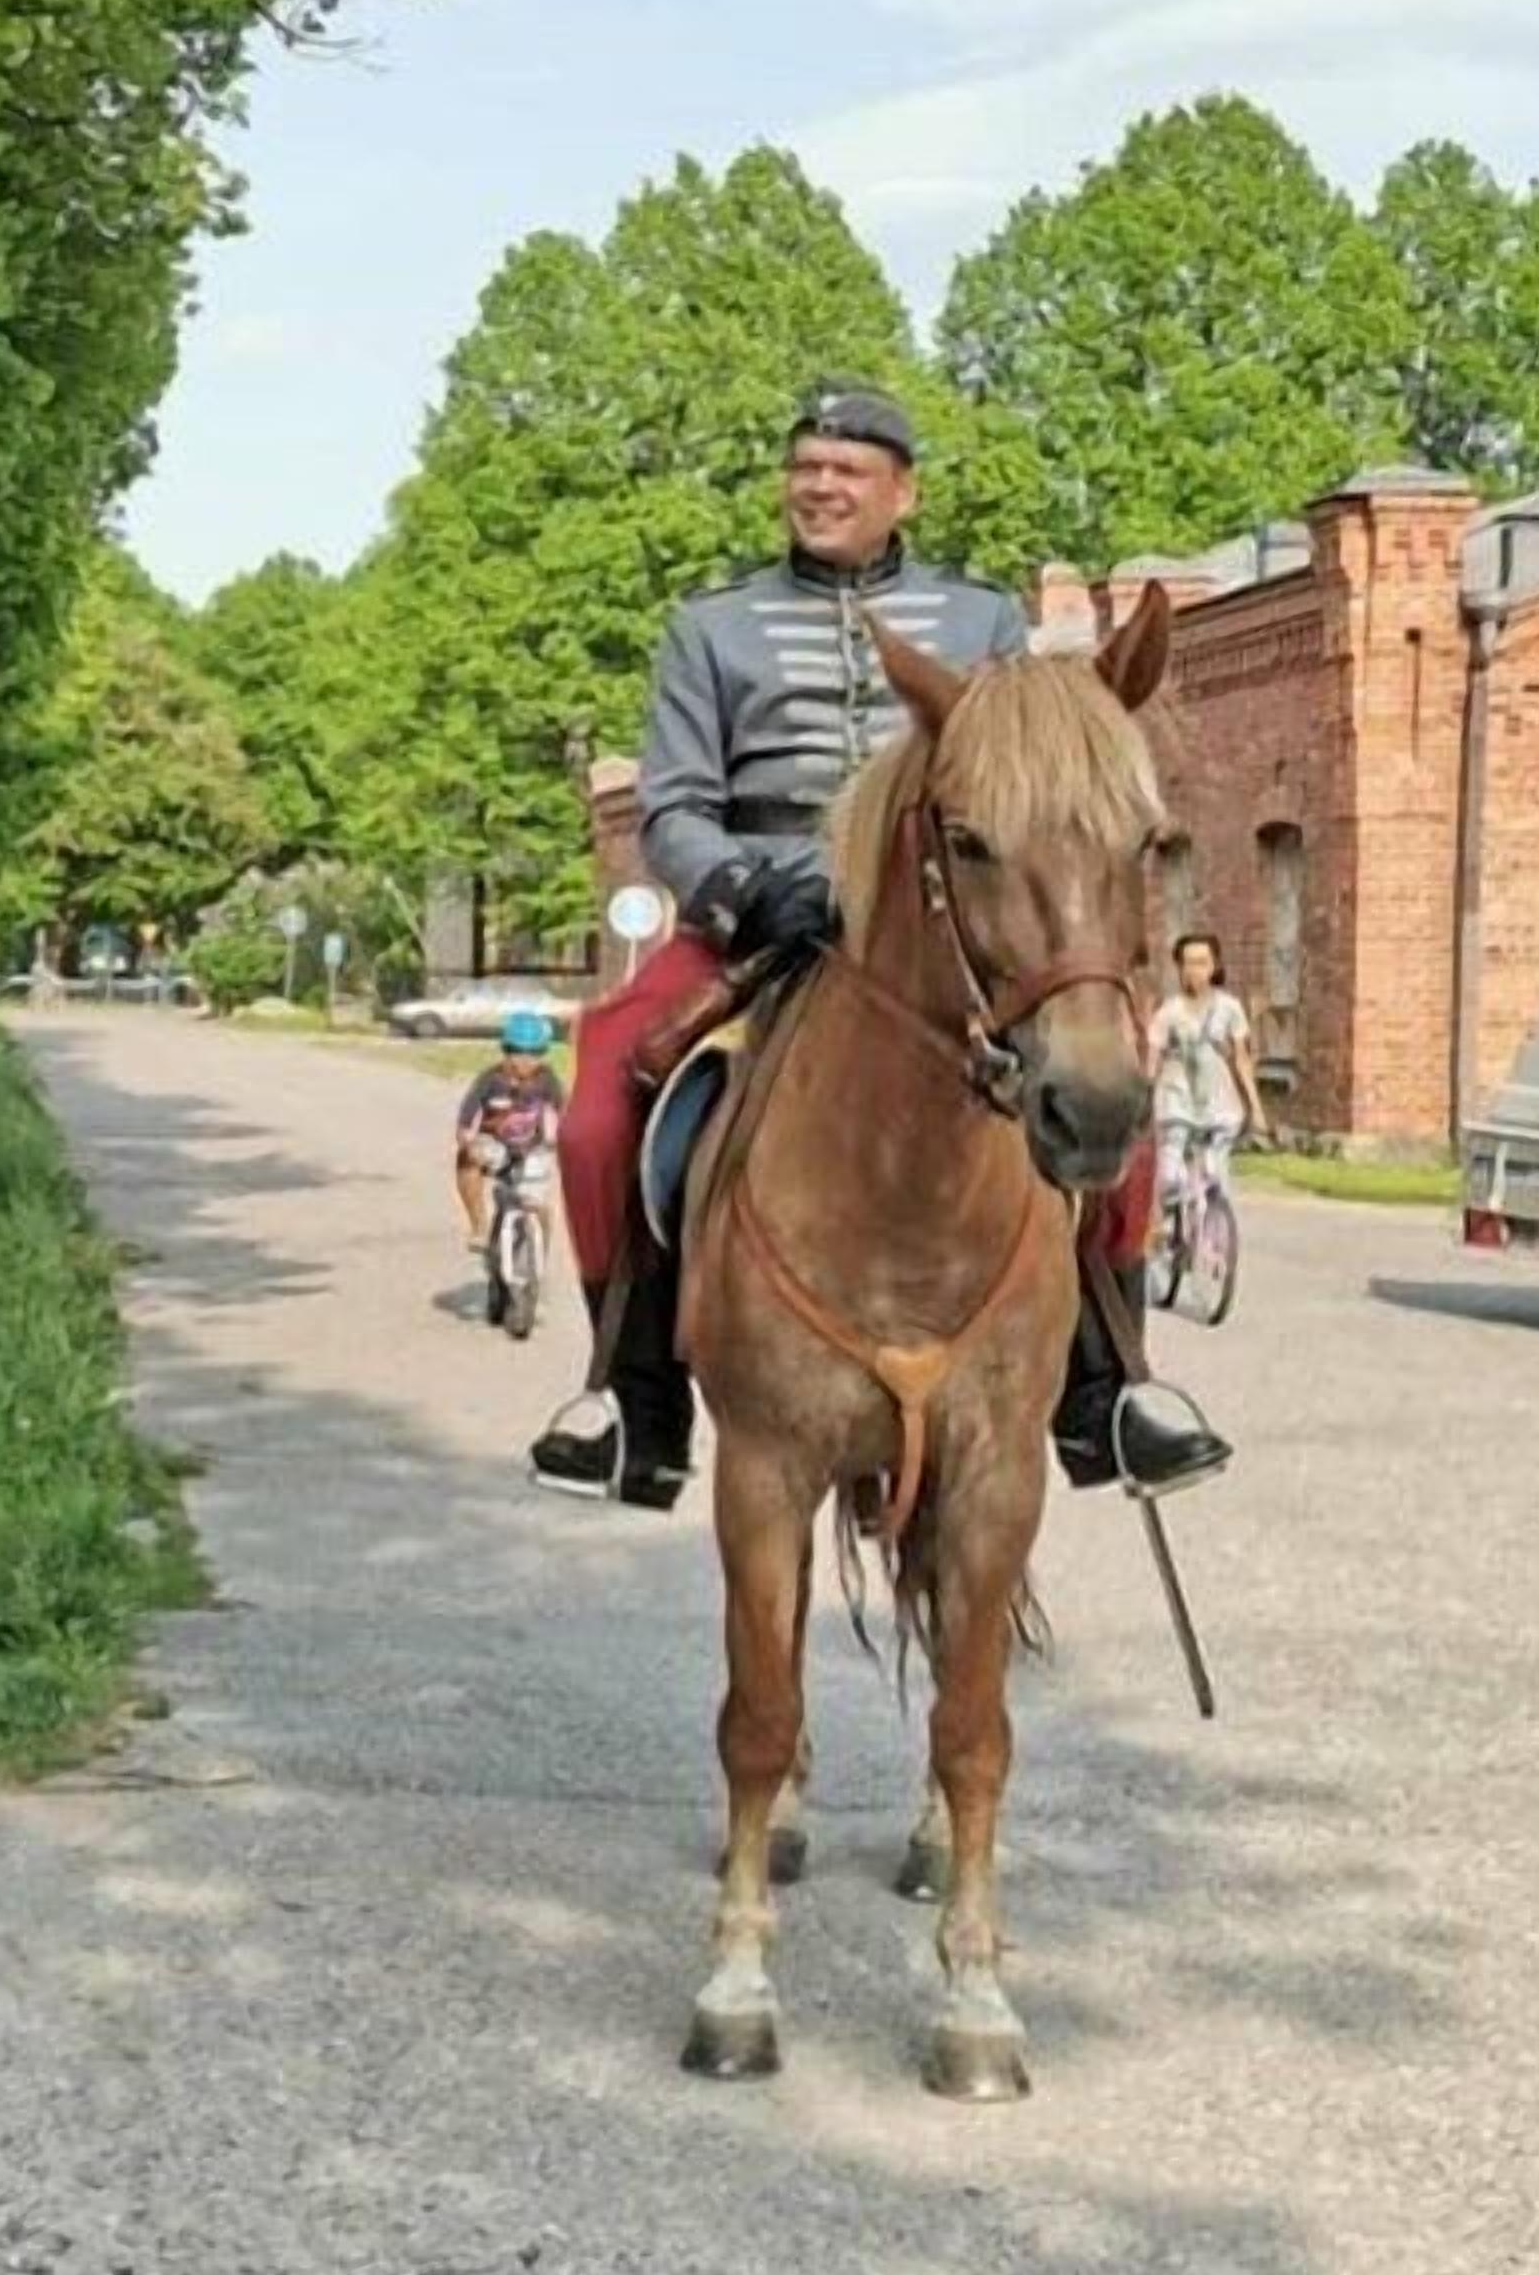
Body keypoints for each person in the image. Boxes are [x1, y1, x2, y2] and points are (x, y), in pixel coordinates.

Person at [527, 381, 1230, 1511]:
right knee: (602, 1110)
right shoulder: (711, 627)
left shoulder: (981, 619)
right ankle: (636, 1402)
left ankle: (1108, 1389)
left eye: (846, 470)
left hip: (936, 919)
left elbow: (1023, 786)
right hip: (763, 914)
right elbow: (673, 810)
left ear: (903, 490)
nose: (819, 486)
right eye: (804, 466)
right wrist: (749, 887)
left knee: (1110, 1097)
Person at [1148, 928, 1267, 1197]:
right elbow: (1153, 1059)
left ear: (1214, 966)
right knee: (1170, 1177)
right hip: (1177, 1099)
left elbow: (1242, 1059)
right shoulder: (1169, 1011)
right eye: (1187, 963)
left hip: (1218, 1101)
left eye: (1202, 963)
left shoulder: (1230, 1008)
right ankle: (1173, 1211)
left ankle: (1213, 1218)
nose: (1194, 971)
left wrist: (1256, 1108)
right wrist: (1145, 1100)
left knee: (1214, 1176)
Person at [454, 1008, 565, 1253]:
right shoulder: (491, 1079)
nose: (525, 1061)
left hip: (532, 1149)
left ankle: (537, 1256)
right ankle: (479, 1226)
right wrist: (468, 1143)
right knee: (465, 1161)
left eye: (534, 1053)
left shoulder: (546, 1080)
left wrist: (564, 1140)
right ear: (505, 1050)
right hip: (496, 1147)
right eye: (517, 1052)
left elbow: (565, 1112)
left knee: (539, 1206)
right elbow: (466, 1117)